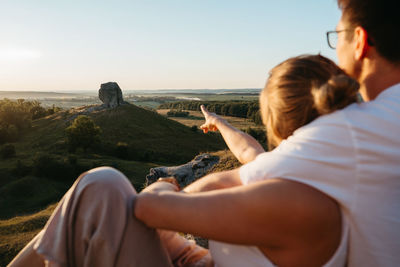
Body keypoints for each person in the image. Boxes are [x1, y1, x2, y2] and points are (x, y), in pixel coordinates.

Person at [9, 0, 400, 266]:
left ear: (361, 41)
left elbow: (167, 204)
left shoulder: (339, 143)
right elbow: (252, 155)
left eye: (337, 38)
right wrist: (223, 123)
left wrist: (166, 187)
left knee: (102, 186)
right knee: (101, 190)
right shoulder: (349, 143)